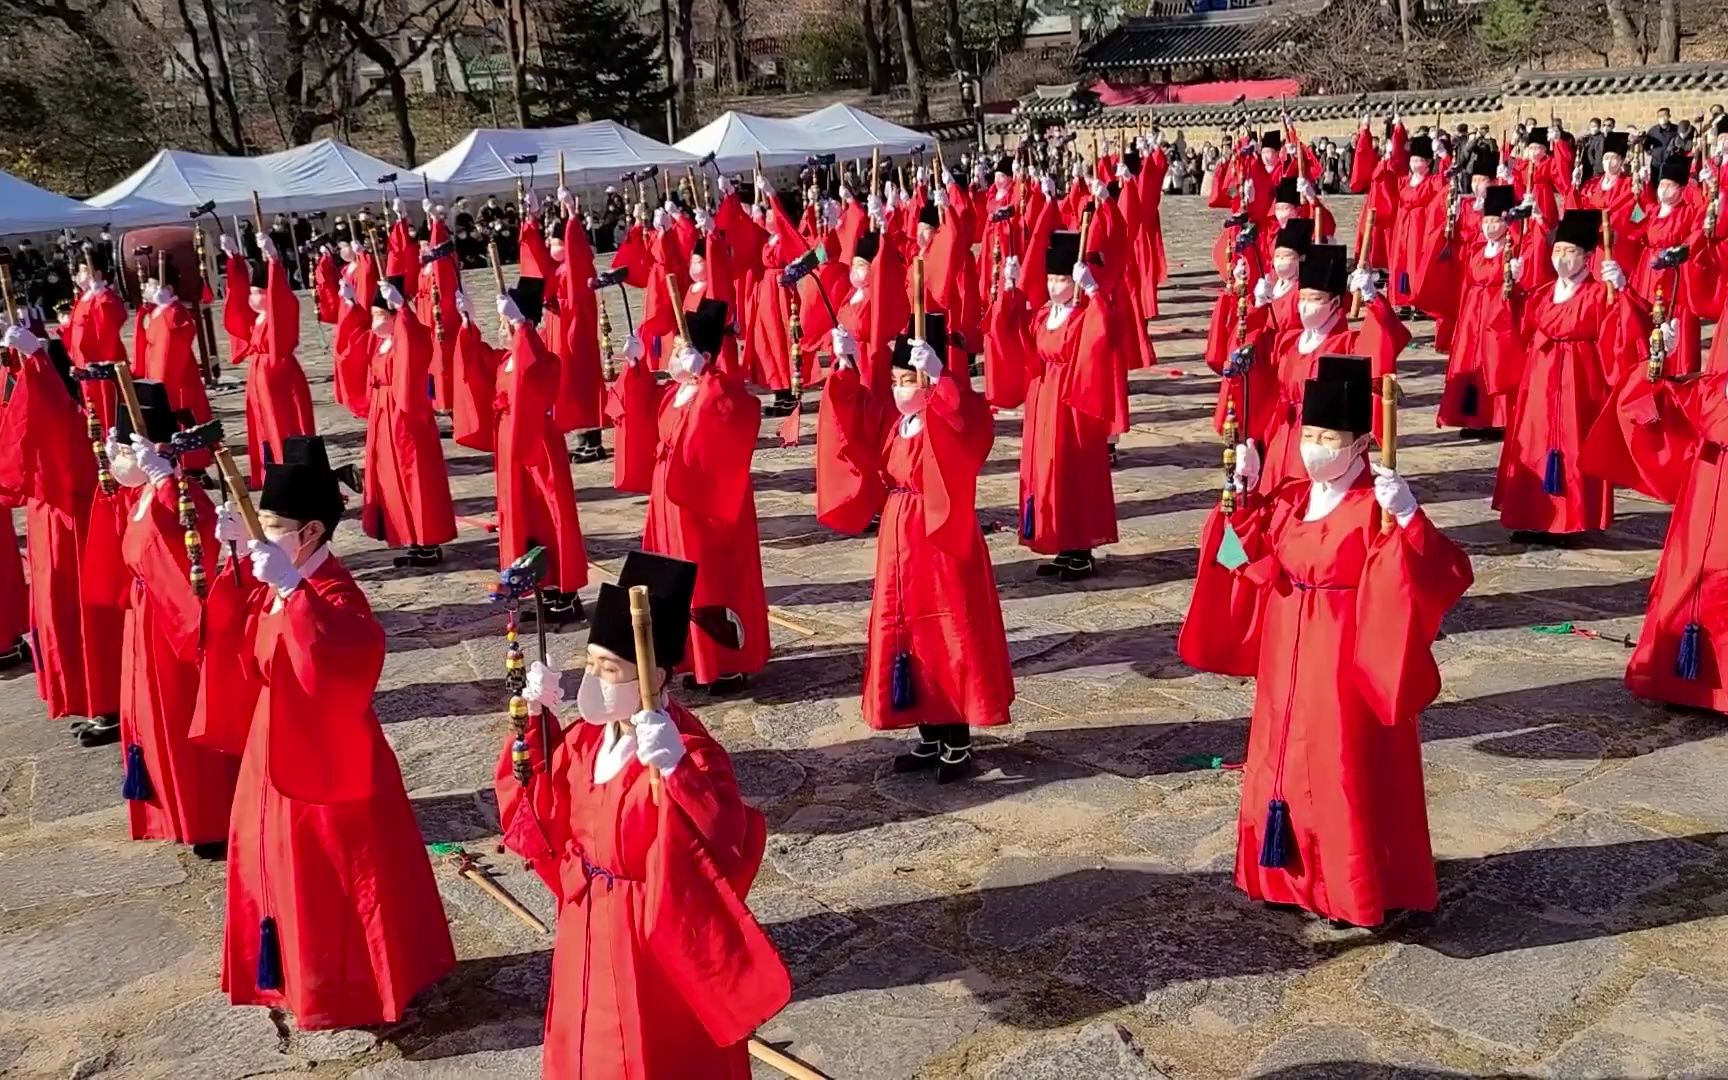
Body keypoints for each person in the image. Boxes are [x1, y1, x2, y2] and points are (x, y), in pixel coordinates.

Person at [1179, 354, 1473, 927]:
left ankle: (1345, 884)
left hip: (1341, 649)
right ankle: (1284, 874)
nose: (1315, 448)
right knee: (1279, 758)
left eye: (1328, 438)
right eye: (1309, 436)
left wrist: (1410, 517)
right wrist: (1234, 504)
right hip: (1285, 642)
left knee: (1341, 764)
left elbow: (1438, 575)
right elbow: (1238, 559)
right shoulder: (1288, 499)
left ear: (1361, 443)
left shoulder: (1375, 509)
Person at [496, 552, 791, 1078]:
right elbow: (543, 811)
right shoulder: (587, 735)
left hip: (649, 931)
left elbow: (725, 840)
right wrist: (536, 725)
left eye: (607, 668)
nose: (593, 678)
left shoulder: (688, 751)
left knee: (655, 1050)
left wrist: (679, 773)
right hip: (586, 917)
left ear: (652, 676)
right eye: (590, 663)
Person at [195, 435, 454, 1029]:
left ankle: (356, 986)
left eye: (273, 525)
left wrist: (292, 594)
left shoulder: (334, 590)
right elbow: (244, 650)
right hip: (273, 739)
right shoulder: (280, 577)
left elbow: (346, 661)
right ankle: (288, 972)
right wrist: (238, 565)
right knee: (274, 863)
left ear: (309, 533)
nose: (265, 534)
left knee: (339, 872)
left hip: (327, 747)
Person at [817, 314, 1015, 780]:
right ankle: (926, 728)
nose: (900, 389)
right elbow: (856, 421)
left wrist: (945, 379)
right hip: (899, 532)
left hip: (941, 534)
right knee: (904, 628)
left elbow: (970, 425)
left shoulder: (942, 415)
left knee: (947, 627)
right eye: (895, 381)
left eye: (909, 380)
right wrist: (844, 363)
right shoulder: (897, 421)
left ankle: (957, 736)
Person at [98, 382, 236, 851]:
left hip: (170, 622)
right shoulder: (139, 496)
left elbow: (192, 556)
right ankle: (177, 812)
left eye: (125, 447)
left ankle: (209, 815)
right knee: (154, 720)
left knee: (180, 716)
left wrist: (165, 485)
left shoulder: (182, 496)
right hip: (144, 619)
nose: (117, 457)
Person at [0, 320, 121, 741]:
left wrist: (36, 362)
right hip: (47, 524)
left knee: (81, 619)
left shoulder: (72, 422)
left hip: (73, 533)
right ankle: (88, 700)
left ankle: (106, 703)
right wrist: (23, 364)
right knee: (59, 621)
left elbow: (48, 414)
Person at [1493, 209, 1647, 539]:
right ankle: (1532, 515)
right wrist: (1512, 291)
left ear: (1588, 257)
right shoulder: (1543, 292)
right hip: (1539, 377)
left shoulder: (1597, 293)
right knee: (1532, 440)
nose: (1562, 258)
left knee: (1574, 443)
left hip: (1579, 376)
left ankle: (1570, 518)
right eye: (1557, 250)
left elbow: (1627, 330)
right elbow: (1520, 326)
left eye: (1570, 251)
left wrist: (1622, 292)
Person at [643, 298, 770, 693]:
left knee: (711, 575)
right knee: (677, 575)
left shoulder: (719, 392)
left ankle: (726, 659)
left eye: (684, 350)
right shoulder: (675, 393)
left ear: (705, 355)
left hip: (705, 499)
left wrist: (711, 378)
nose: (676, 356)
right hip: (668, 496)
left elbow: (738, 410)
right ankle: (692, 656)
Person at [986, 231, 1122, 580]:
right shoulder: (1045, 314)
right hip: (1043, 397)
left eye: (1061, 279)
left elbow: (1103, 334)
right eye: (1050, 278)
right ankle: (1060, 540)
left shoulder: (1081, 316)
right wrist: (1010, 288)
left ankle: (1081, 546)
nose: (1054, 285)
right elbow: (1015, 331)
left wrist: (1093, 291)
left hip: (1073, 399)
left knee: (1072, 469)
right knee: (1045, 470)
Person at [486, 284, 589, 620]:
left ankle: (565, 592)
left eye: (508, 324)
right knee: (523, 517)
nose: (503, 330)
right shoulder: (507, 361)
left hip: (539, 446)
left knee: (551, 515)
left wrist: (522, 329)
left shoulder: (543, 359)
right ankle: (540, 585)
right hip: (510, 443)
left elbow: (534, 372)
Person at [346, 281, 457, 568]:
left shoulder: (408, 337)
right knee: (391, 478)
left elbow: (414, 341)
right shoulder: (380, 343)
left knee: (415, 476)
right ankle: (408, 534)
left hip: (406, 415)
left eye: (380, 315)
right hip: (382, 413)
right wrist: (349, 307)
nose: (375, 321)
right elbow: (350, 351)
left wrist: (401, 308)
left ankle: (428, 540)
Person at [222, 235, 317, 489]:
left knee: (282, 423)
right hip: (259, 372)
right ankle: (268, 470)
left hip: (279, 373)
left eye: (257, 292)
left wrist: (274, 260)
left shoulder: (279, 310)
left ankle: (290, 473)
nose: (252, 297)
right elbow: (239, 297)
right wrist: (234, 261)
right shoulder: (258, 319)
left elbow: (281, 296)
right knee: (262, 424)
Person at [1438, 184, 1523, 435]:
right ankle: (1471, 416)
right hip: (1472, 315)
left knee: (1494, 362)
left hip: (1497, 313)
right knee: (1470, 363)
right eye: (1486, 221)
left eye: (1496, 221)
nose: (1490, 226)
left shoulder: (1512, 252)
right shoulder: (1477, 250)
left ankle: (1498, 418)